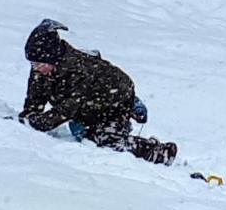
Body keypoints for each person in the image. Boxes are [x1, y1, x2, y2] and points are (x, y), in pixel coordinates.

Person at [19, 19, 177, 166]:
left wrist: (41, 123)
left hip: (114, 101)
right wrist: (29, 115)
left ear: (53, 57)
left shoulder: (78, 71)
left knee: (101, 141)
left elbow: (67, 109)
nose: (36, 68)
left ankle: (158, 151)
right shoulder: (42, 70)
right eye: (33, 64)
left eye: (40, 64)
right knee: (82, 126)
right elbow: (35, 96)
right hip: (87, 101)